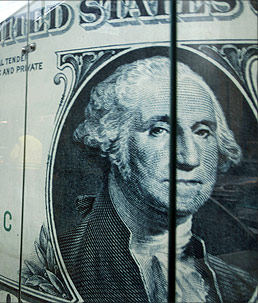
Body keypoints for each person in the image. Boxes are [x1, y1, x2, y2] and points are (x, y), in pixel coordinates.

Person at [59, 56, 257, 302]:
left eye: (202, 132)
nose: (189, 158)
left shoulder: (239, 284)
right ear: (112, 140)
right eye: (159, 130)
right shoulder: (57, 264)